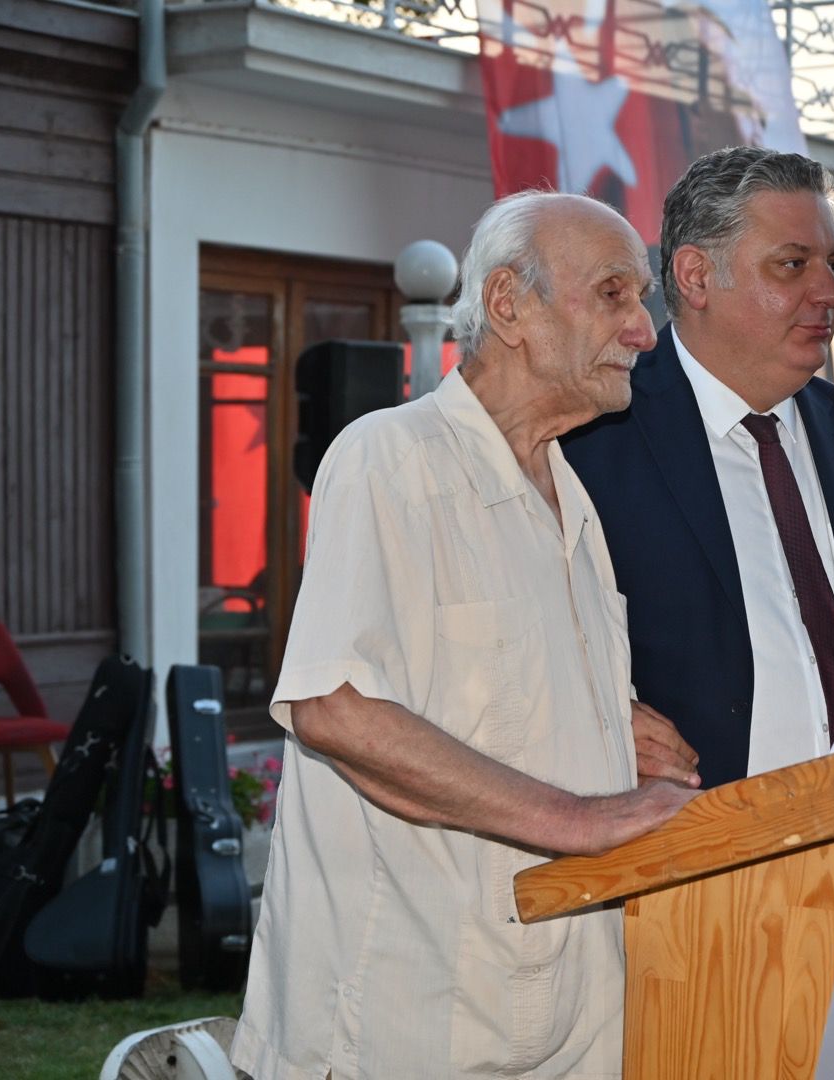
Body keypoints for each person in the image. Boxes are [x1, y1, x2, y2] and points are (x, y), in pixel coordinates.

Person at [230, 192, 696, 1079]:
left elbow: (485, 681)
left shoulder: (569, 492)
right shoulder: (391, 458)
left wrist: (606, 716)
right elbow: (335, 708)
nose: (644, 330)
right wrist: (583, 818)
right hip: (408, 1024)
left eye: (642, 301)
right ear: (509, 305)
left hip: (569, 1016)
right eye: (613, 294)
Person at [561, 146, 834, 789]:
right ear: (696, 277)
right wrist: (600, 720)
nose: (829, 293)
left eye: (833, 265)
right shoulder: (594, 437)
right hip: (701, 836)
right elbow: (536, 651)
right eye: (793, 265)